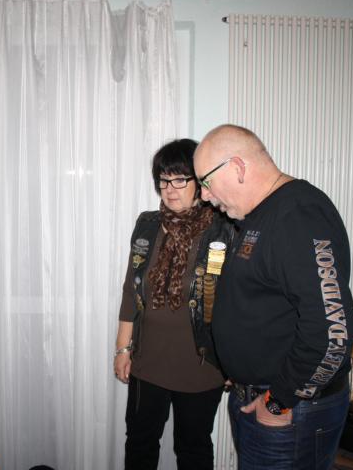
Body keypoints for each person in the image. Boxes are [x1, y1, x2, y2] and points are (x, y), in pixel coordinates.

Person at [193, 124, 353, 470]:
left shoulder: (297, 216)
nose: (204, 196)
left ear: (237, 167)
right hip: (260, 399)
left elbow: (332, 332)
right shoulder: (257, 216)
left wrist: (278, 401)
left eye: (205, 182)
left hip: (290, 411)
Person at [114, 139, 235, 470]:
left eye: (180, 179)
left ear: (199, 182)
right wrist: (123, 348)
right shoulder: (148, 225)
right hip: (148, 361)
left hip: (202, 364)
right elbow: (131, 289)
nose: (170, 189)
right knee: (139, 443)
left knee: (193, 449)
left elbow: (234, 301)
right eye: (164, 180)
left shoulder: (223, 229)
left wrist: (232, 360)